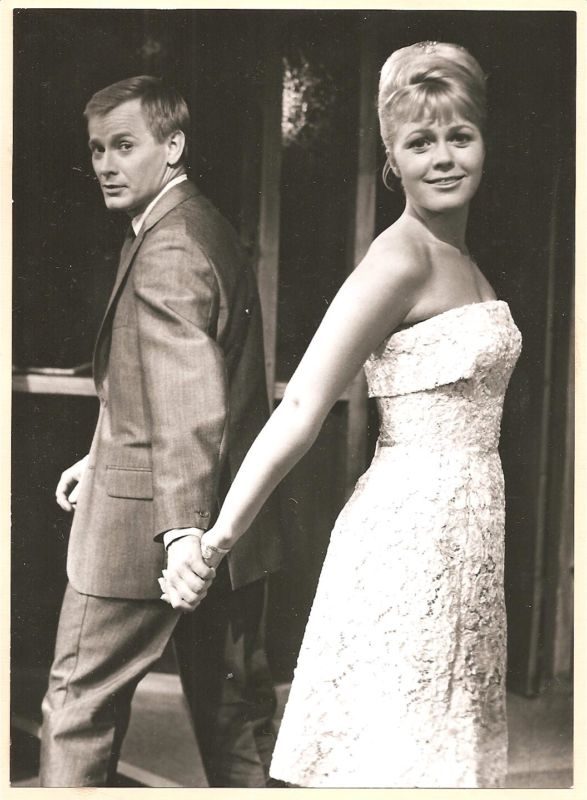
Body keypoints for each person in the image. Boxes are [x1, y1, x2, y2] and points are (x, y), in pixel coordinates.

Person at [162, 42, 523, 788]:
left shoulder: (461, 257)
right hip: (407, 541)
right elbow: (301, 403)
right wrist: (219, 537)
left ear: (483, 141)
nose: (444, 158)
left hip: (469, 536)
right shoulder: (400, 259)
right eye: (420, 142)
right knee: (396, 757)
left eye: (459, 136)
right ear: (392, 158)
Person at [39, 75, 282, 788]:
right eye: (96, 150)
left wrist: (181, 535)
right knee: (235, 721)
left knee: (77, 708)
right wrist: (99, 454)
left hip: (152, 531)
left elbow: (187, 401)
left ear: (172, 146)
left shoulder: (169, 246)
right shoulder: (197, 223)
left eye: (124, 146)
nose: (105, 165)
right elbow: (166, 381)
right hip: (225, 520)